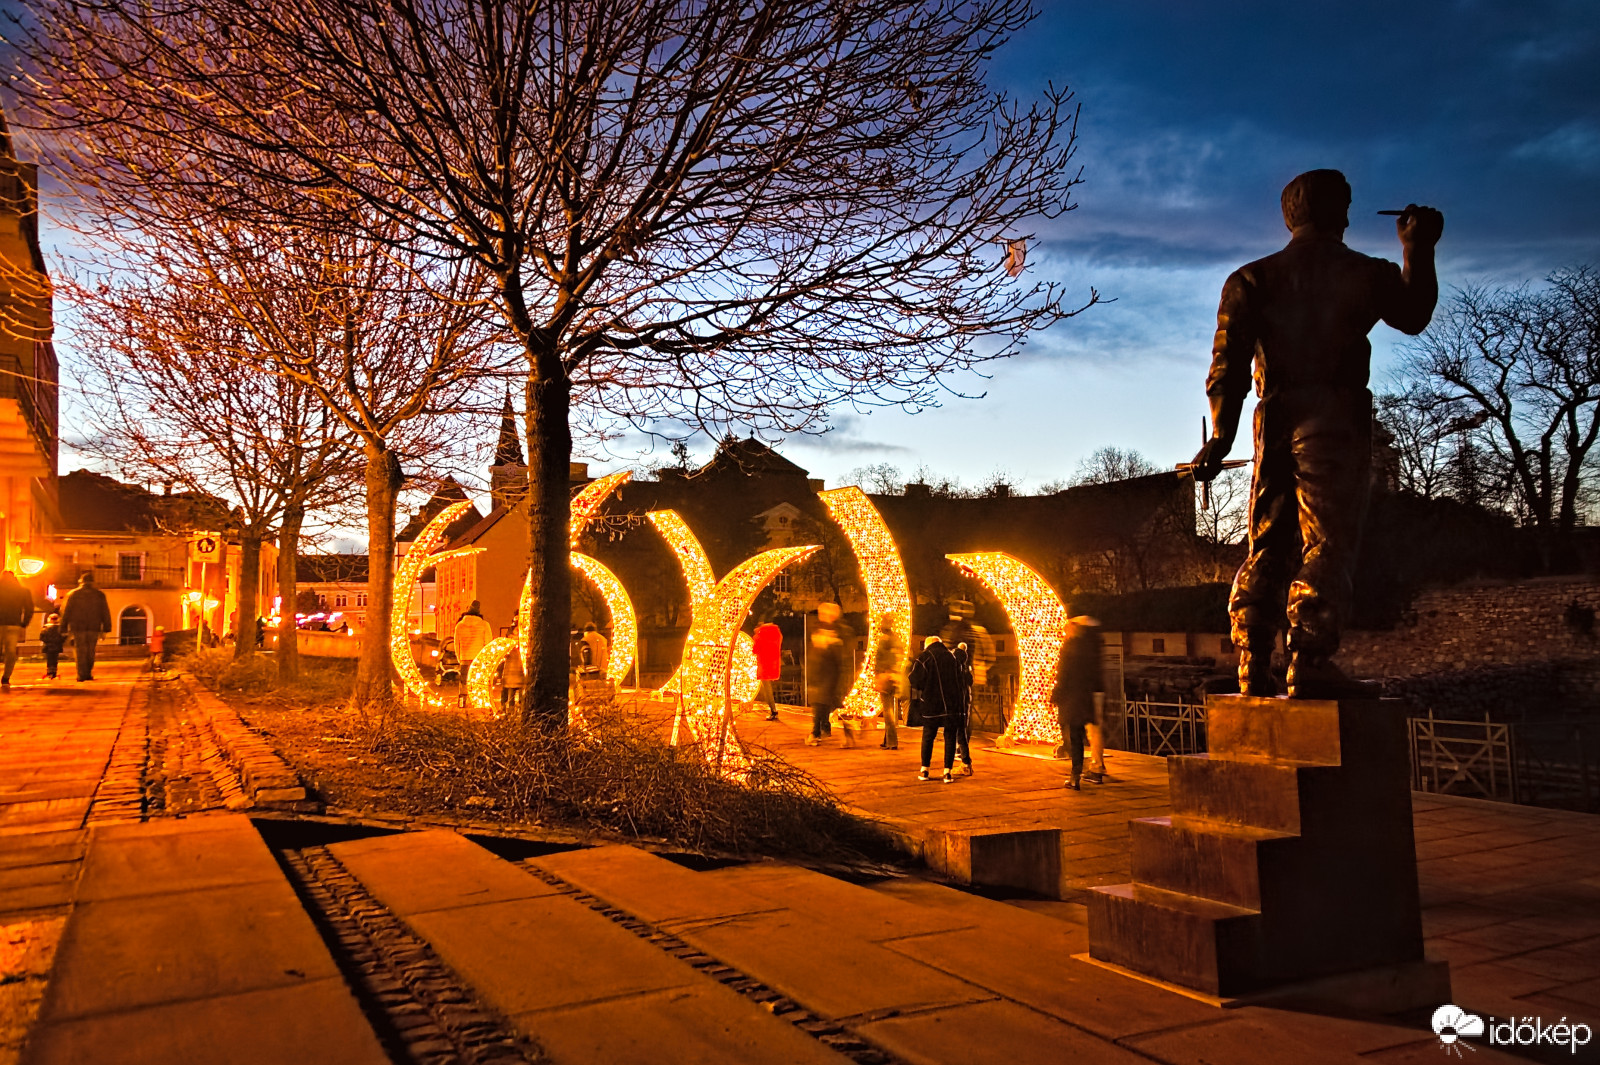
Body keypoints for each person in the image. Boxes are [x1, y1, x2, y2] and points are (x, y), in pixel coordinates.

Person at [1190, 169, 1442, 698]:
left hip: (1274, 415)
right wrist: (1417, 247)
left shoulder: (1249, 279)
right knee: (1326, 538)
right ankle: (1309, 658)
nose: (1350, 215)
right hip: (1333, 411)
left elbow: (1226, 368)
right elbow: (1414, 313)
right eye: (1346, 205)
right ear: (1336, 212)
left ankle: (1252, 659)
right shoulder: (1364, 273)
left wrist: (1221, 437)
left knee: (1268, 538)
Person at [1052, 617, 1105, 790]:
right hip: (1085, 697)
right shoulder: (1090, 647)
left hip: (1071, 697)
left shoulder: (1069, 647)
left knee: (1071, 735)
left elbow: (1062, 672)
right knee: (1079, 736)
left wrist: (1056, 694)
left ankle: (1076, 774)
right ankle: (1078, 773)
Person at [910, 635, 962, 783]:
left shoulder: (925, 657)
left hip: (931, 703)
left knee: (928, 736)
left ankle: (924, 770)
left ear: (927, 645)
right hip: (951, 703)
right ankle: (947, 772)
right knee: (950, 737)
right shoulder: (952, 658)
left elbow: (915, 679)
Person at [805, 603, 849, 746]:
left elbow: (836, 656)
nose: (821, 616)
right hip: (822, 674)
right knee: (822, 704)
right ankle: (824, 729)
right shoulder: (821, 629)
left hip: (828, 674)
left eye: (823, 613)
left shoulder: (835, 631)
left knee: (822, 704)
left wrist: (828, 644)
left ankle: (816, 733)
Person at [60, 572, 111, 683]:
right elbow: (105, 612)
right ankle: (88, 672)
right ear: (93, 582)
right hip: (94, 626)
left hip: (77, 626)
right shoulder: (99, 595)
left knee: (80, 650)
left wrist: (63, 627)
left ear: (80, 581)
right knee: (90, 650)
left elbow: (66, 612)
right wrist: (106, 628)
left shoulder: (73, 594)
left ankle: (81, 674)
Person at [872, 616, 903, 750]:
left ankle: (892, 741)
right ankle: (887, 740)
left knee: (888, 710)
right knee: (889, 709)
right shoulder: (896, 639)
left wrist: (881, 673)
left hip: (885, 676)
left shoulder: (885, 640)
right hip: (893, 677)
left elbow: (882, 659)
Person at [0, 570, 34, 687]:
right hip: (14, 624)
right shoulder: (23, 591)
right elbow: (29, 608)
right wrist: (24, 623)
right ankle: (6, 677)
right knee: (10, 651)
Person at [951, 642, 975, 775]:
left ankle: (962, 763)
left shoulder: (955, 672)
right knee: (962, 734)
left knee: (957, 734)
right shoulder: (966, 670)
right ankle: (965, 762)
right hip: (965, 705)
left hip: (956, 705)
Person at [752, 619, 782, 720]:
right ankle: (773, 710)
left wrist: (756, 637)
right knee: (768, 689)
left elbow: (755, 650)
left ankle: (773, 711)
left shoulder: (761, 637)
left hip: (764, 666)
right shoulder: (774, 636)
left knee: (767, 690)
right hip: (772, 665)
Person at [454, 601, 492, 679]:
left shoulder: (459, 625)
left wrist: (460, 659)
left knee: (464, 683)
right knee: (477, 684)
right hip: (479, 659)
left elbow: (457, 644)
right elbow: (488, 644)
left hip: (464, 659)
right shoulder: (484, 625)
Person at [39, 613, 63, 680]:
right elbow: (63, 637)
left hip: (48, 647)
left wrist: (47, 641)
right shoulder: (60, 628)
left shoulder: (46, 627)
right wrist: (59, 642)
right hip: (57, 646)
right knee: (55, 660)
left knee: (49, 660)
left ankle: (49, 673)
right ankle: (54, 673)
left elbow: (41, 637)